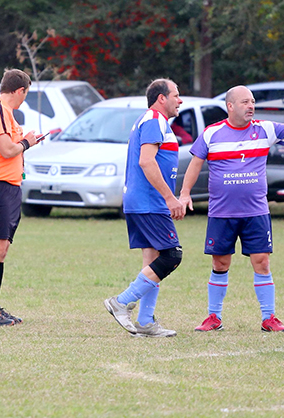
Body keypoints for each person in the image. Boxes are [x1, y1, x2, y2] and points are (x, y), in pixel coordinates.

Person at [180, 86, 284, 333]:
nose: (251, 106)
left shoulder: (265, 129)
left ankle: (269, 317)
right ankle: (213, 317)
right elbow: (195, 163)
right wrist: (185, 193)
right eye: (245, 102)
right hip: (222, 212)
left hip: (256, 212)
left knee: (262, 263)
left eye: (252, 102)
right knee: (220, 263)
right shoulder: (212, 133)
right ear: (230, 106)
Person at [103, 78, 185, 338]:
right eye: (176, 95)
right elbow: (147, 162)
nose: (180, 100)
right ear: (161, 98)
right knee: (172, 256)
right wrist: (170, 197)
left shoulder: (154, 121)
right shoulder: (153, 120)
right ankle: (121, 302)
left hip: (142, 202)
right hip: (150, 203)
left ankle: (146, 322)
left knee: (152, 261)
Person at [0, 69, 44, 326]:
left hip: (9, 187)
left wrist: (26, 143)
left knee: (1, 249)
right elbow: (6, 150)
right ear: (20, 90)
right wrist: (27, 142)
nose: (25, 98)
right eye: (26, 93)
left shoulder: (9, 115)